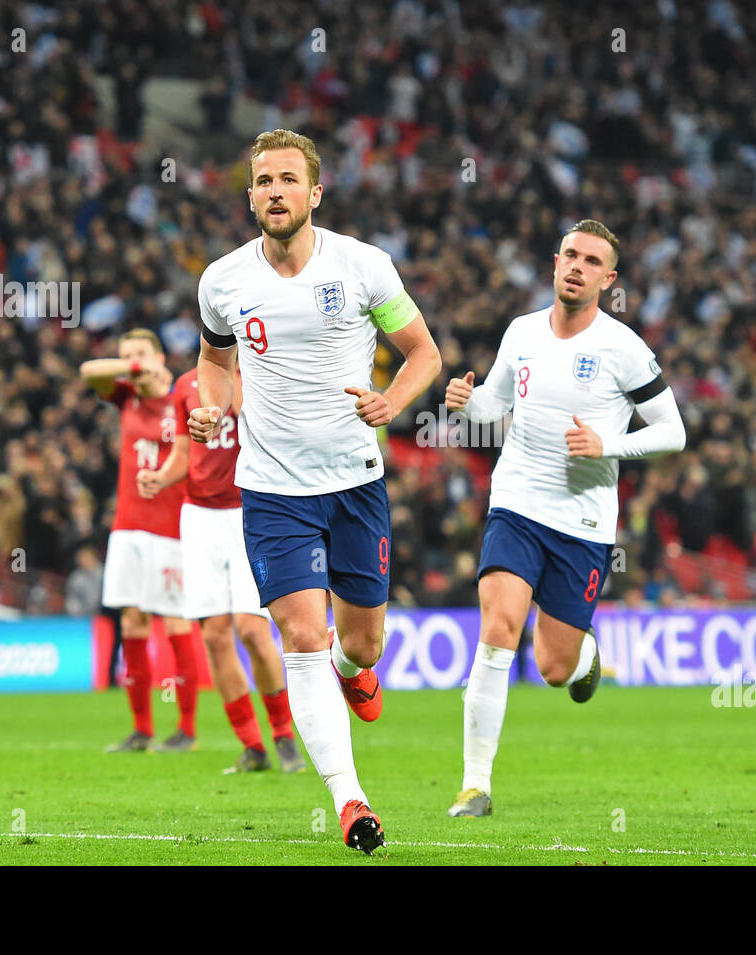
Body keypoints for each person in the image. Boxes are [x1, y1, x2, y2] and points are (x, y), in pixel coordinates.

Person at [189, 129, 441, 853]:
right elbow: (213, 360)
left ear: (314, 193)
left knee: (362, 642)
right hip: (271, 490)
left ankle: (349, 670)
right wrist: (212, 404)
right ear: (250, 197)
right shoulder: (223, 280)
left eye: (287, 180)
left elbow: (424, 352)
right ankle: (351, 800)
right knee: (301, 633)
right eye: (262, 181)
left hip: (356, 484)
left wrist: (393, 401)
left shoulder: (363, 267)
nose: (274, 192)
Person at [442, 219, 686, 818]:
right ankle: (475, 785)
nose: (577, 266)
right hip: (517, 504)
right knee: (499, 627)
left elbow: (674, 432)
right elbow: (494, 406)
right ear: (555, 263)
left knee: (554, 668)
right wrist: (465, 402)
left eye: (591, 260)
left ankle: (584, 657)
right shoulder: (521, 332)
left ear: (609, 278)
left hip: (583, 524)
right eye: (570, 255)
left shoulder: (623, 348)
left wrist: (609, 446)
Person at [138, 365, 307, 774]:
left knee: (251, 630)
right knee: (214, 635)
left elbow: (273, 433)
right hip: (198, 516)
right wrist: (161, 478)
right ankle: (253, 746)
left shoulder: (263, 371)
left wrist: (232, 390)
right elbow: (183, 451)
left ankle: (284, 736)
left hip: (251, 508)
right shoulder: (185, 385)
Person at [80, 328, 198, 753]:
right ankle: (142, 729)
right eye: (125, 354)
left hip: (173, 526)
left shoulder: (184, 398)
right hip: (128, 525)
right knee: (131, 622)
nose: (132, 361)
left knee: (177, 622)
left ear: (161, 355)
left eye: (141, 353)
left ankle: (186, 729)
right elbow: (88, 371)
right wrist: (133, 367)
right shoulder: (126, 395)